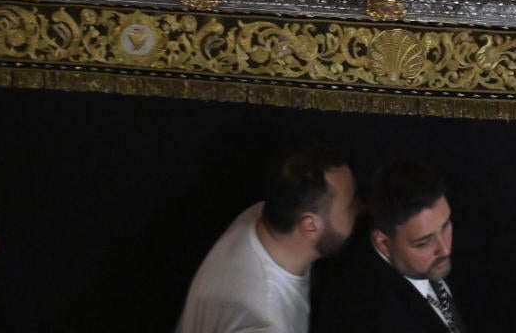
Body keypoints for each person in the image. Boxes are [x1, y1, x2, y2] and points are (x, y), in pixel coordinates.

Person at [177, 142, 359, 333]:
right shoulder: (266, 323)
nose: (359, 209)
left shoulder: (259, 214)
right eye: (349, 207)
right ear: (310, 226)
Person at [311, 160, 469, 333]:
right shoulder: (368, 316)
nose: (445, 249)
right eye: (423, 243)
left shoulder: (464, 242)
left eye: (446, 226)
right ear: (384, 243)